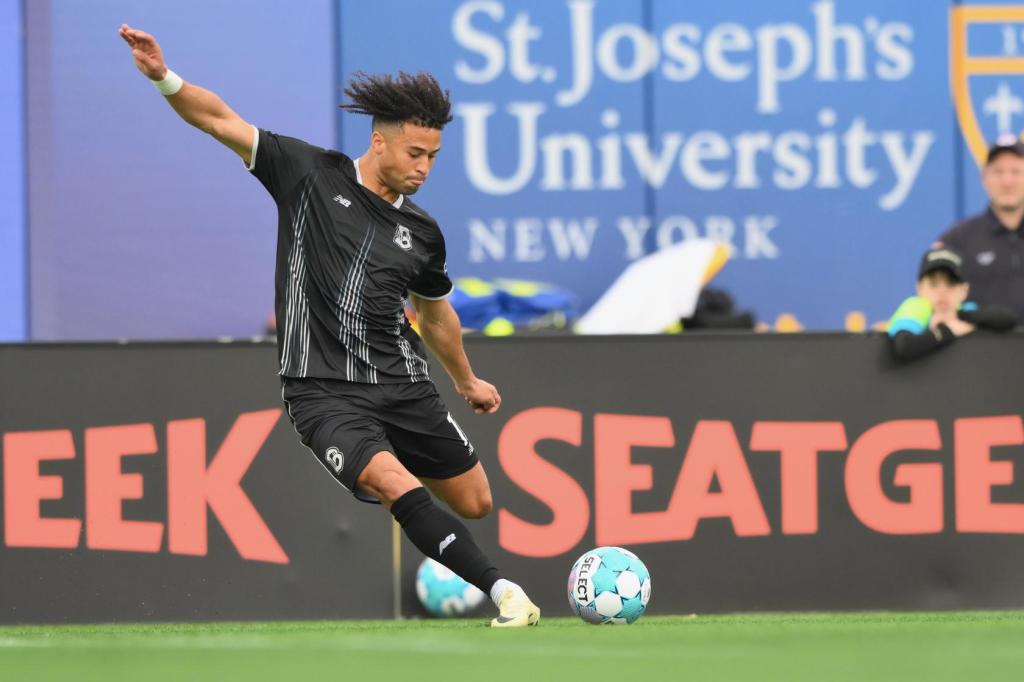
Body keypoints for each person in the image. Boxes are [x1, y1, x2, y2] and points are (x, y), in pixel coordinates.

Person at [119, 24, 539, 627]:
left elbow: (435, 313)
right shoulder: (309, 174)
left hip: (402, 383)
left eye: (434, 157)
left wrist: (467, 381)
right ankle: (505, 593)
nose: (424, 167)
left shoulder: (421, 232)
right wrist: (164, 76)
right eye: (415, 154)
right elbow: (217, 119)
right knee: (394, 482)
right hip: (321, 392)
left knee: (476, 502)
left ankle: (406, 479)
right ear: (380, 142)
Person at [936, 134, 1024, 323]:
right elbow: (935, 300)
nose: (1007, 182)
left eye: (1016, 172)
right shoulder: (958, 240)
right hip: (977, 350)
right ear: (984, 178)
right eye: (998, 172)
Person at [887, 247, 1016, 361]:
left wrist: (958, 316)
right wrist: (948, 330)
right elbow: (905, 346)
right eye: (934, 284)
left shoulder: (966, 310)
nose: (942, 292)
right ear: (920, 288)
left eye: (951, 284)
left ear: (964, 290)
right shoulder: (915, 306)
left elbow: (1007, 319)